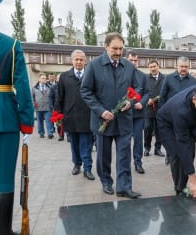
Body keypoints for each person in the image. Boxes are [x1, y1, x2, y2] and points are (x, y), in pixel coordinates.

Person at [80, 32, 142, 199]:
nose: (118, 52)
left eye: (121, 48)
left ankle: (124, 187)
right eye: (114, 48)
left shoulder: (128, 66)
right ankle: (106, 182)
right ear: (105, 46)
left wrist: (130, 101)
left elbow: (138, 88)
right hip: (103, 121)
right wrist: (100, 110)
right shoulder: (94, 65)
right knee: (103, 156)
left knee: (124, 155)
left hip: (124, 121)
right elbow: (85, 91)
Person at [0, 0, 35, 235]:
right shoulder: (9, 44)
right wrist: (27, 121)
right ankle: (0, 234)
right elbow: (22, 87)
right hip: (3, 117)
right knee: (3, 177)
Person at [157, 84, 196, 198]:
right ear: (195, 100)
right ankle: (179, 189)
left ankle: (182, 185)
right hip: (166, 123)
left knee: (190, 153)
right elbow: (182, 144)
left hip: (189, 121)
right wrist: (193, 180)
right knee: (178, 154)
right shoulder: (182, 112)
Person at [55, 49, 95, 180]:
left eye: (81, 59)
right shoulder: (64, 76)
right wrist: (57, 115)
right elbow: (59, 97)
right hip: (70, 116)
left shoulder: (91, 75)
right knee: (74, 144)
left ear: (85, 61)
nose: (78, 62)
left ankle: (87, 168)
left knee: (87, 144)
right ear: (72, 61)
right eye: (76, 59)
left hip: (87, 116)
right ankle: (77, 164)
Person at [158, 56, 196, 165]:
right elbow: (162, 97)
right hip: (170, 116)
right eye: (181, 66)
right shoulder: (169, 78)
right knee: (171, 138)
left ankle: (185, 159)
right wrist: (163, 114)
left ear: (189, 67)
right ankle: (170, 155)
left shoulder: (194, 81)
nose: (183, 69)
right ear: (177, 66)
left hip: (186, 118)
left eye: (186, 67)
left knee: (184, 139)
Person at [125, 50, 149, 174]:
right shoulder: (121, 74)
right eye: (131, 60)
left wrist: (142, 102)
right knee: (125, 141)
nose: (133, 62)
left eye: (135, 60)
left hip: (138, 114)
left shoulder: (143, 76)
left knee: (138, 140)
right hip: (124, 114)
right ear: (126, 60)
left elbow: (147, 92)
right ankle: (125, 164)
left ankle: (138, 162)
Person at [144, 59, 165, 157]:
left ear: (158, 66)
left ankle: (158, 149)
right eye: (151, 67)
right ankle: (147, 148)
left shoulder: (165, 78)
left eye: (154, 66)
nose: (153, 68)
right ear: (148, 68)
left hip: (161, 108)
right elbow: (142, 91)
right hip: (148, 108)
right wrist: (147, 99)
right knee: (148, 128)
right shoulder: (145, 78)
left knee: (159, 130)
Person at [32, 72, 54, 139]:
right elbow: (32, 97)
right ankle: (41, 133)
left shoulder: (50, 87)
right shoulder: (34, 88)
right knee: (39, 121)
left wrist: (52, 105)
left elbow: (53, 96)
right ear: (39, 79)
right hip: (38, 107)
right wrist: (33, 104)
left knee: (49, 121)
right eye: (43, 78)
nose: (44, 79)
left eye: (45, 78)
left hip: (47, 107)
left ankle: (50, 133)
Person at [48, 74, 64, 141]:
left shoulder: (67, 85)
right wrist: (51, 106)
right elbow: (50, 97)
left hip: (67, 107)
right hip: (57, 108)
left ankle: (69, 136)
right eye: (58, 78)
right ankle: (61, 136)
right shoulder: (53, 87)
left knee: (68, 122)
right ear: (56, 79)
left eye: (61, 78)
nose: (60, 79)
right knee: (59, 123)